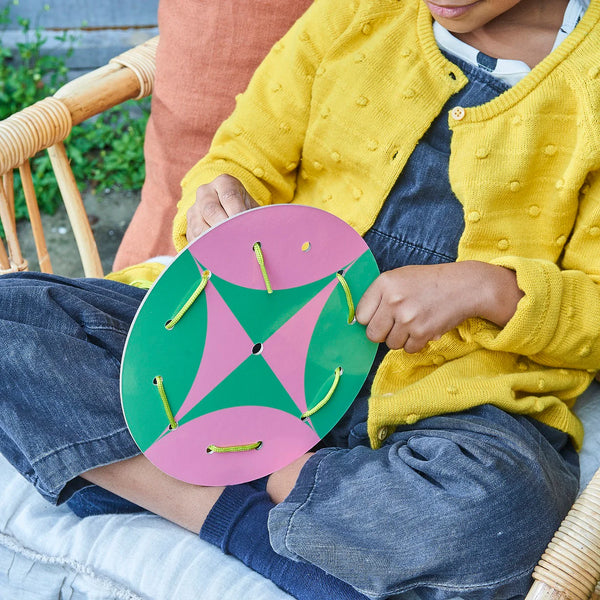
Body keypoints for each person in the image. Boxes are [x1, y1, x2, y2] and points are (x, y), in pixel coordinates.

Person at [0, 0, 598, 598]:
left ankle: (184, 484)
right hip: (241, 344)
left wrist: (490, 289)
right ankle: (280, 527)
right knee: (12, 320)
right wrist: (218, 197)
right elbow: (242, 155)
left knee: (503, 515)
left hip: (445, 404)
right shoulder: (355, 14)